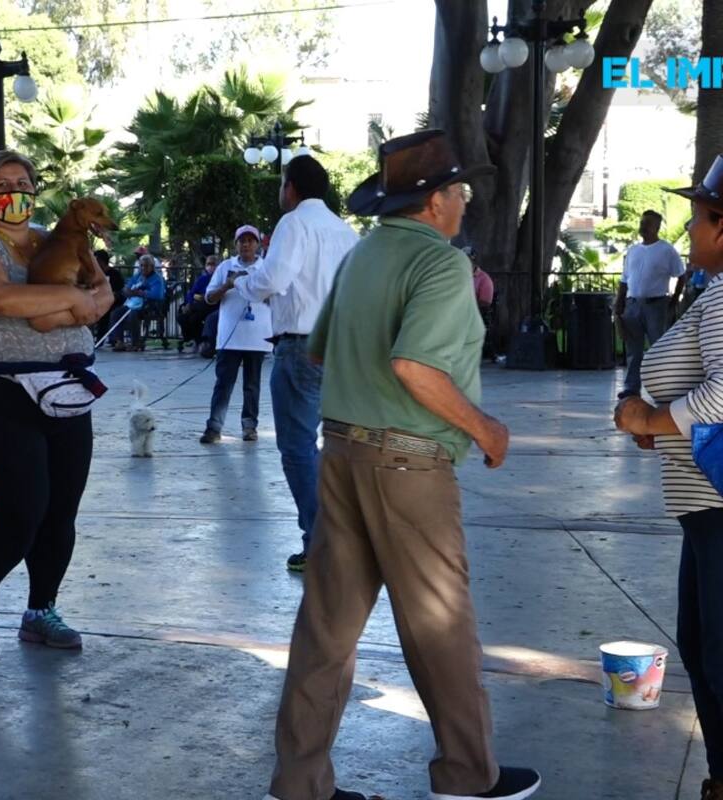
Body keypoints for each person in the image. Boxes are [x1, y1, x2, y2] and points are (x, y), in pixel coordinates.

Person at [265, 130, 540, 800]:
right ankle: (467, 775)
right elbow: (414, 366)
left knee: (325, 628)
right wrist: (486, 429)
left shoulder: (362, 255)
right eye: (460, 191)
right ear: (435, 201)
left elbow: (320, 351)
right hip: (409, 465)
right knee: (440, 626)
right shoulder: (440, 265)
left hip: (341, 456)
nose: (465, 202)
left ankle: (299, 784)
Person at [0, 150, 113, 662]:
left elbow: (104, 295)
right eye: (2, 184)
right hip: (7, 392)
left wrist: (65, 307)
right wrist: (72, 303)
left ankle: (42, 609)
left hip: (69, 389)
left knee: (61, 512)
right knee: (21, 512)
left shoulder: (53, 238)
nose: (14, 192)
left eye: (22, 182)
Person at [614, 154, 723, 800]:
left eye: (698, 216)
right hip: (705, 501)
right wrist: (664, 425)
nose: (689, 229)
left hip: (717, 502)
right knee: (702, 646)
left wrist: (652, 418)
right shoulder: (714, 293)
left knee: (717, 652)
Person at [230, 154, 359, 572]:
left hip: (302, 346)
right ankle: (343, 535)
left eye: (282, 183)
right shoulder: (345, 231)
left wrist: (243, 284)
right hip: (342, 348)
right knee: (332, 445)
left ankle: (320, 541)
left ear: (292, 187)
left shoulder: (293, 223)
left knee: (298, 448)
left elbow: (274, 278)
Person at [199, 226, 271, 444]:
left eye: (250, 240)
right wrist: (228, 285)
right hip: (230, 338)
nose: (246, 244)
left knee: (252, 385)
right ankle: (214, 427)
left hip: (257, 337)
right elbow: (209, 298)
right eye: (242, 241)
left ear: (257, 244)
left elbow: (277, 296)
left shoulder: (266, 267)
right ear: (236, 244)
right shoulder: (225, 266)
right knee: (223, 383)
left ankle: (250, 426)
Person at [616, 209, 687, 398]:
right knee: (633, 350)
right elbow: (624, 279)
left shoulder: (667, 250)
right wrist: (619, 302)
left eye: (647, 223)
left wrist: (674, 300)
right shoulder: (633, 250)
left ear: (657, 227)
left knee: (659, 348)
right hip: (633, 305)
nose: (643, 226)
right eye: (642, 222)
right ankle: (631, 388)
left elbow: (681, 276)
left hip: (656, 305)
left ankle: (664, 388)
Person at [108, 254, 166, 351]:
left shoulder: (157, 279)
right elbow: (127, 287)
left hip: (149, 305)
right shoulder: (138, 276)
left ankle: (136, 342)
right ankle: (119, 341)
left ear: (152, 266)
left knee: (132, 314)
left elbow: (157, 295)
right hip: (133, 304)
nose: (143, 268)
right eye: (141, 265)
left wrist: (140, 293)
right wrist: (128, 291)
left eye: (146, 266)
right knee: (116, 313)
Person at [177, 255, 217, 353]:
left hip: (211, 305)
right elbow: (191, 293)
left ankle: (200, 341)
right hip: (197, 305)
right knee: (181, 317)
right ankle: (192, 338)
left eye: (213, 264)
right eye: (208, 264)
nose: (210, 267)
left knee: (194, 318)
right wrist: (189, 303)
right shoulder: (202, 279)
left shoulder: (219, 278)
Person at [94, 249, 125, 342]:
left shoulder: (115, 274)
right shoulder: (95, 275)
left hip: (114, 301)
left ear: (101, 261)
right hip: (99, 300)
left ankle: (102, 339)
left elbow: (118, 291)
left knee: (106, 312)